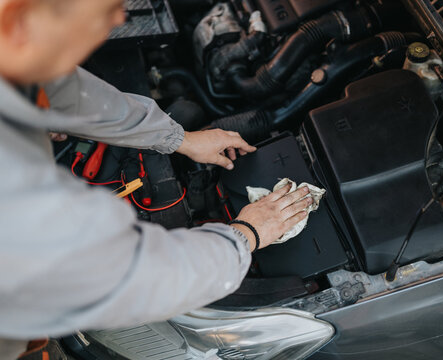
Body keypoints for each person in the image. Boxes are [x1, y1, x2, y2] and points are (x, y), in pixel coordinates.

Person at [0, 0, 311, 358]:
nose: (119, 18)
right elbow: (131, 275)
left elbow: (64, 91)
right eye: (105, 12)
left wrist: (180, 139)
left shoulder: (13, 45)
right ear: (22, 23)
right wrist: (245, 236)